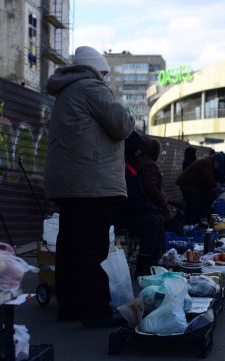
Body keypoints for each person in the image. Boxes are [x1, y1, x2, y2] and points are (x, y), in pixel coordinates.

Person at [44, 46, 135, 325]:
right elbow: (122, 125)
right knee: (93, 247)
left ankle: (70, 308)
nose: (105, 78)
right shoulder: (91, 87)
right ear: (94, 69)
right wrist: (128, 109)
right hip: (91, 182)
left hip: (71, 181)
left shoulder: (66, 90)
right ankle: (94, 310)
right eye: (104, 72)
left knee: (70, 245)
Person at [113, 131, 164, 277]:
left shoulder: (131, 167)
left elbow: (139, 197)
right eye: (137, 150)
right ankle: (144, 265)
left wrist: (151, 208)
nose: (138, 153)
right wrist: (150, 208)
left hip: (130, 211)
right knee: (153, 221)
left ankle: (153, 262)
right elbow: (132, 200)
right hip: (121, 214)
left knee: (157, 218)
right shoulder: (125, 169)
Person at [176, 151, 225, 225]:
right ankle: (189, 224)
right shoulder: (207, 163)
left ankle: (188, 224)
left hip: (189, 184)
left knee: (191, 206)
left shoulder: (208, 162)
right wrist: (217, 187)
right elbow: (208, 178)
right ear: (217, 161)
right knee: (193, 205)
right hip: (187, 185)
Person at [136, 136, 177, 222]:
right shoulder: (149, 165)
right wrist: (164, 203)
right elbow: (151, 188)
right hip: (150, 205)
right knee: (175, 219)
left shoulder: (139, 161)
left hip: (145, 203)